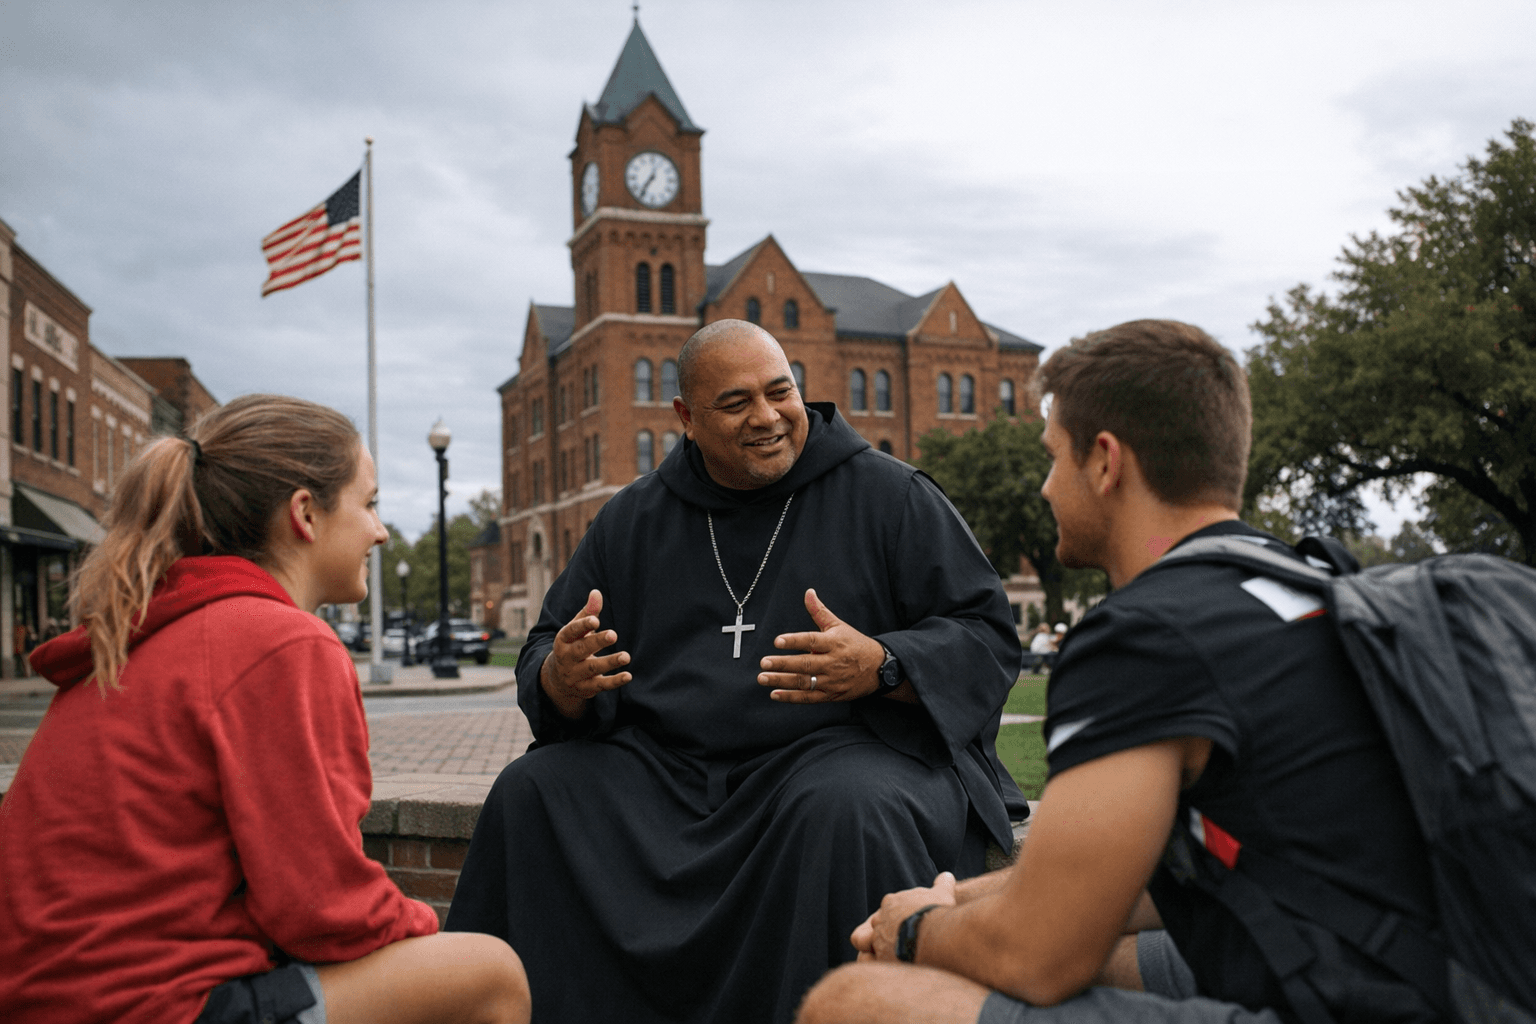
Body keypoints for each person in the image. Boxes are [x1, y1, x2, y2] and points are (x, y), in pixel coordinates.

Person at [796, 319, 1439, 1024]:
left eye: (1053, 458)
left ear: (1105, 462)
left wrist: (913, 933)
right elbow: (1153, 880)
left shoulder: (1145, 636)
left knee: (854, 1001)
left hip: (1350, 1001)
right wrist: (950, 901)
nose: (1044, 488)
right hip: (1433, 972)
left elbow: (1037, 956)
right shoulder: (1311, 585)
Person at [447, 320, 1027, 1024]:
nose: (767, 417)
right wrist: (559, 678)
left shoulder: (889, 495)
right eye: (735, 403)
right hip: (668, 772)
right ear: (687, 419)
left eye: (779, 391)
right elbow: (549, 642)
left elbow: (986, 632)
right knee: (533, 790)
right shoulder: (633, 519)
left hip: (839, 753)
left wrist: (884, 663)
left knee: (844, 809)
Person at [0, 395, 530, 1024]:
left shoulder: (155, 629)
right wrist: (425, 932)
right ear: (305, 513)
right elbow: (323, 911)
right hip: (147, 1006)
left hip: (49, 998)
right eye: (369, 504)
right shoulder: (282, 642)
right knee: (491, 974)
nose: (381, 531)